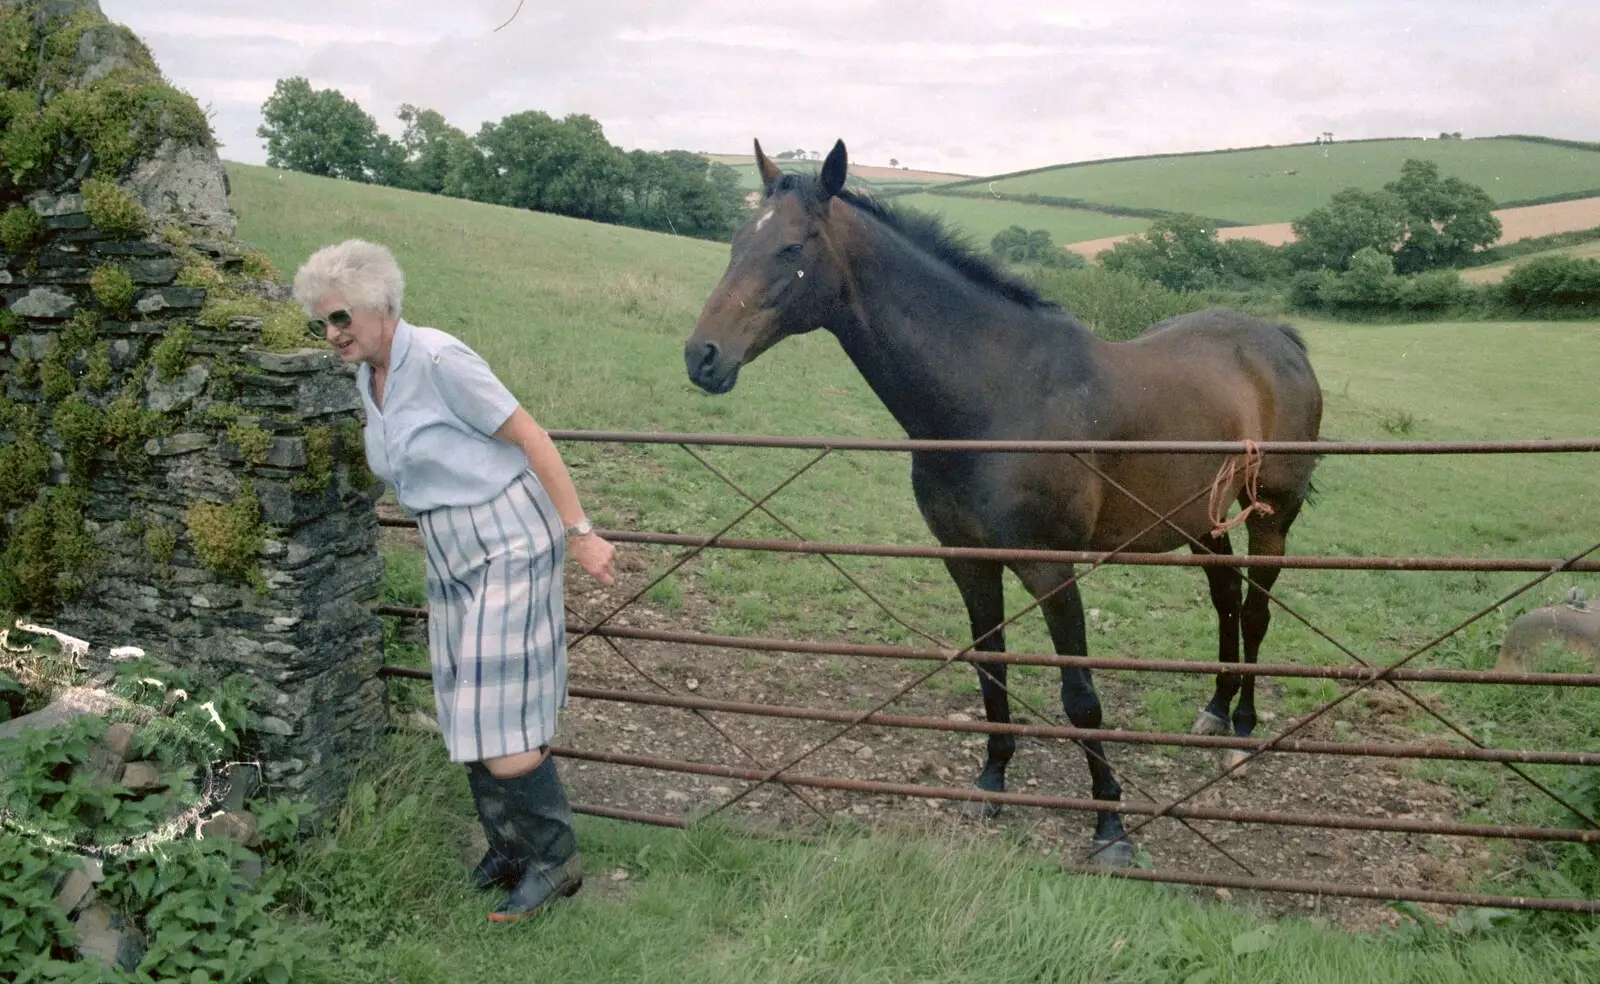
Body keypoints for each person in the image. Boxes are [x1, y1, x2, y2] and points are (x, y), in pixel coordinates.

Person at [293, 239, 615, 923]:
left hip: (506, 537)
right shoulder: (367, 377)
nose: (332, 334)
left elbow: (531, 436)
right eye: (321, 323)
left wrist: (579, 532)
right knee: (460, 699)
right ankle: (510, 847)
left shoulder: (439, 359)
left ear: (381, 305)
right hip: (447, 545)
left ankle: (556, 862)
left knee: (495, 715)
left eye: (342, 317)